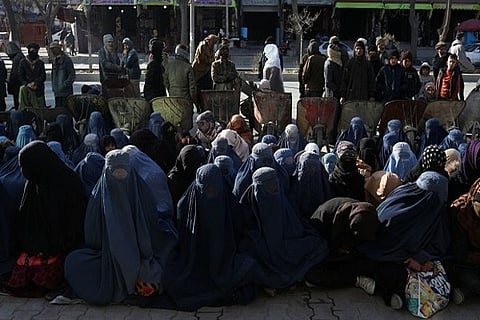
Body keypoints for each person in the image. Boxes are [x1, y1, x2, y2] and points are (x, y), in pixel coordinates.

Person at [64, 149, 176, 305]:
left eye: (123, 174)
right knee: (73, 261)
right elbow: (94, 238)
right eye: (115, 174)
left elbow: (152, 230)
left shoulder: (142, 193)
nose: (120, 179)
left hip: (143, 256)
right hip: (107, 257)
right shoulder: (98, 197)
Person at [2, 141, 87, 297]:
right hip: (36, 249)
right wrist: (33, 247)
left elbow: (75, 226)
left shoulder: (69, 183)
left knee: (48, 274)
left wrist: (52, 247)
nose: (23, 171)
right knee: (20, 277)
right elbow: (25, 220)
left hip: (62, 247)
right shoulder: (33, 183)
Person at [450, 178, 480, 304]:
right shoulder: (460, 212)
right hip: (465, 265)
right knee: (472, 281)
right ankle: (463, 290)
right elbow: (459, 254)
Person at [18, 43, 46, 110]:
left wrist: (35, 83)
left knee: (40, 109)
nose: (33, 52)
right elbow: (20, 75)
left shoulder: (40, 63)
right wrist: (27, 84)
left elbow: (43, 76)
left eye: (35, 51)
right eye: (31, 50)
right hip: (27, 88)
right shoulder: (23, 62)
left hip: (38, 89)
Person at [49, 41, 75, 109]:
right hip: (57, 93)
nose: (52, 51)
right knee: (58, 110)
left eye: (54, 49)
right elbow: (53, 75)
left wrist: (64, 85)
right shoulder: (54, 61)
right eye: (51, 49)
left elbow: (72, 76)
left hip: (66, 92)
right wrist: (54, 88)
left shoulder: (66, 60)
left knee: (66, 111)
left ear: (58, 49)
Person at [5, 42, 25, 109]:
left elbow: (15, 73)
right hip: (20, 84)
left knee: (18, 102)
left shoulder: (17, 59)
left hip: (17, 85)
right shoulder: (20, 56)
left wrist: (10, 81)